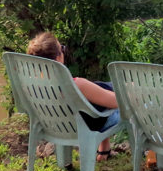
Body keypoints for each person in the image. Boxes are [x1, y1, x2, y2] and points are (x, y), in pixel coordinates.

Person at [26, 32, 120, 163]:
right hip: (85, 127)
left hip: (54, 127)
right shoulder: (77, 85)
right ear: (58, 58)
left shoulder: (32, 86)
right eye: (62, 49)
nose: (64, 52)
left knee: (101, 87)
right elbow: (119, 102)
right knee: (126, 96)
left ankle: (104, 149)